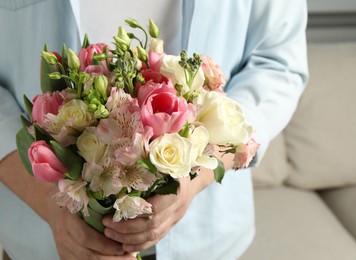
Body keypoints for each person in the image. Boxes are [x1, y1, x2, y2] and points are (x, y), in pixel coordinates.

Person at [0, 0, 308, 259]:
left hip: (208, 238)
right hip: (40, 237)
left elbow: (277, 63)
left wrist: (197, 175)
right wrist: (48, 203)